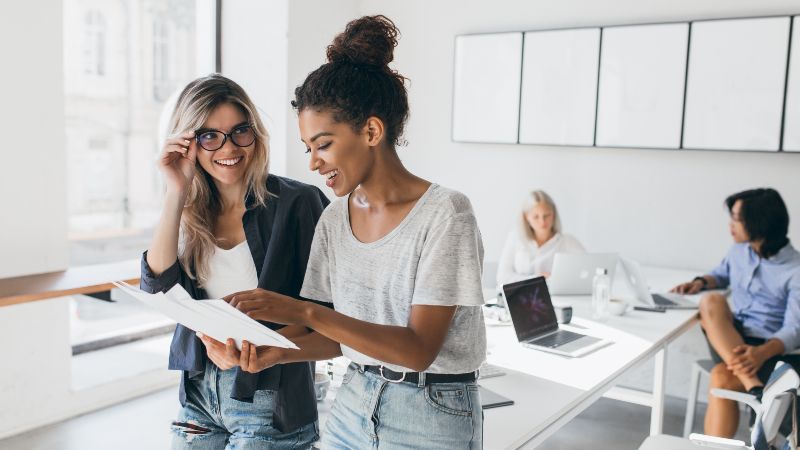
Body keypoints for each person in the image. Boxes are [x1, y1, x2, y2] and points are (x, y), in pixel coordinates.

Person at [224, 15, 487, 449]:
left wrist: (302, 312)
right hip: (354, 402)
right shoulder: (333, 218)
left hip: (433, 410)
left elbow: (418, 349)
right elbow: (336, 338)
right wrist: (274, 349)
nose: (313, 162)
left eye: (323, 144)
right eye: (308, 148)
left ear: (371, 130)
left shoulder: (446, 214)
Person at [139, 74, 328, 449]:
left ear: (255, 134)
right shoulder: (189, 211)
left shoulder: (298, 203)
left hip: (269, 397)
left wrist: (254, 351)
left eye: (240, 131)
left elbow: (327, 315)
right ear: (189, 143)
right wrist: (176, 189)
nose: (229, 147)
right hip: (198, 397)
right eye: (209, 136)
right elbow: (159, 286)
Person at [670, 188, 800, 437]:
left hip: (772, 351)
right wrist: (700, 282)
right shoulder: (739, 252)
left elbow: (794, 329)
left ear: (759, 222)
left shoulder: (796, 269)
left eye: (736, 219)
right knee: (711, 301)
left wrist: (761, 353)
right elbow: (721, 275)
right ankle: (756, 389)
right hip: (732, 341)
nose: (730, 225)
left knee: (721, 377)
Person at [496, 190, 585, 288]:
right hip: (520, 298)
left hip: (555, 299)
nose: (542, 222)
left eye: (546, 215)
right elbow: (502, 277)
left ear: (554, 214)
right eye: (536, 217)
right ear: (527, 217)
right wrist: (536, 279)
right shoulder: (515, 239)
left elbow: (586, 271)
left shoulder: (567, 242)